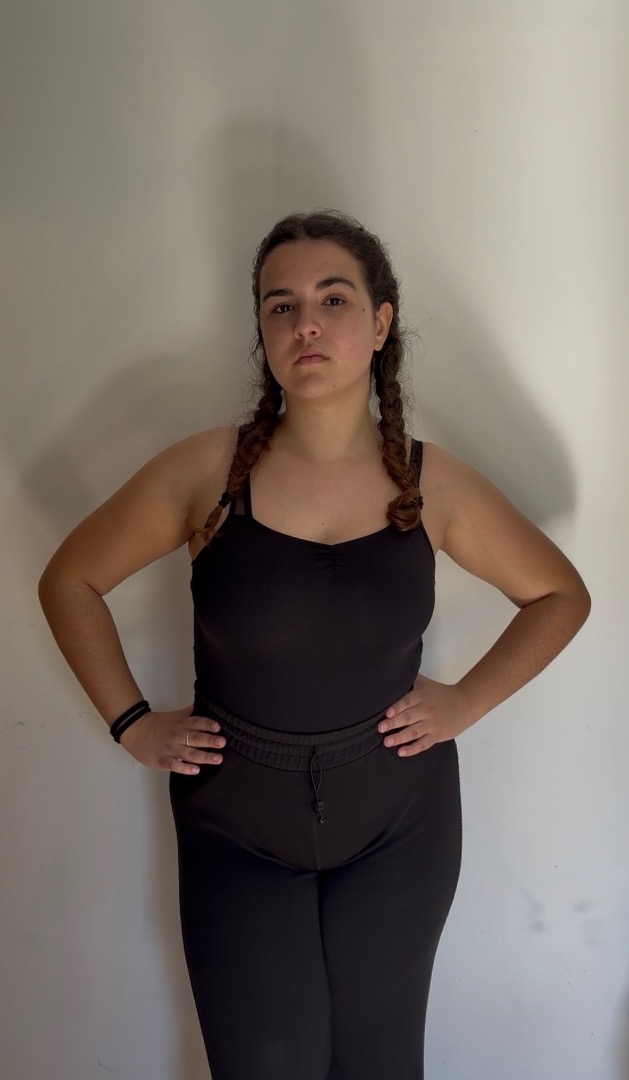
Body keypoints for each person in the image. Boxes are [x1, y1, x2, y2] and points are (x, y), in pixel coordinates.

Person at [38, 209, 591, 1080]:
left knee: (380, 1063)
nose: (305, 323)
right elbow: (70, 579)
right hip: (236, 824)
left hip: (398, 818)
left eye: (333, 300)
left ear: (378, 323)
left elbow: (559, 595)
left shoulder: (431, 483)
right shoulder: (206, 473)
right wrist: (131, 722)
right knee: (265, 1063)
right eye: (280, 305)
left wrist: (464, 702)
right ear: (262, 333)